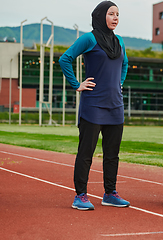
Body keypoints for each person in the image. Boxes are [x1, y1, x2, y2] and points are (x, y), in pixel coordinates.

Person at [59, 1, 129, 210]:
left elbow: (124, 64)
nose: (116, 18)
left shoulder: (119, 42)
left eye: (118, 14)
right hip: (93, 105)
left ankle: (110, 193)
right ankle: (80, 195)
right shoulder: (89, 38)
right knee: (86, 153)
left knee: (112, 154)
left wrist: (119, 83)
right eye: (111, 14)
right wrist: (76, 85)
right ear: (100, 16)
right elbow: (65, 59)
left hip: (115, 105)